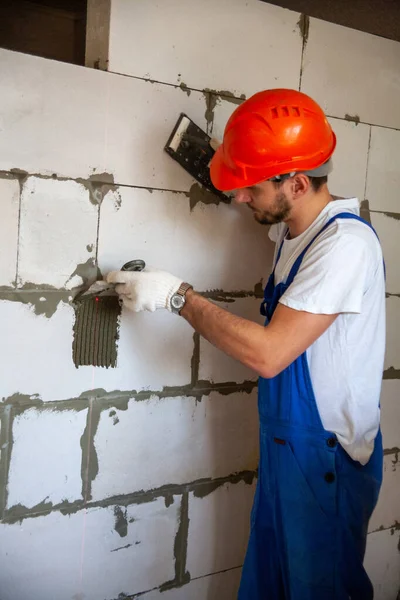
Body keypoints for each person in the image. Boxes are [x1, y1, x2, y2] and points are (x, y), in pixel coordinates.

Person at [107, 89, 385, 599]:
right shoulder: (295, 231)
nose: (240, 199)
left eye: (250, 188)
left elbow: (269, 354)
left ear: (297, 184)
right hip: (289, 450)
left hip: (326, 461)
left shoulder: (345, 247)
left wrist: (177, 297)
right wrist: (228, 167)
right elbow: (256, 202)